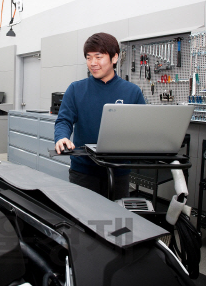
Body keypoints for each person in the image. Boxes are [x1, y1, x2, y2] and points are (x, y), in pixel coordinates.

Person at [54, 32, 145, 199]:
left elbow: (142, 127)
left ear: (114, 58)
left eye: (98, 57)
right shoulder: (76, 89)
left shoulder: (132, 92)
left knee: (115, 221)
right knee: (82, 220)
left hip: (119, 173)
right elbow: (64, 120)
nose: (92, 63)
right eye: (88, 58)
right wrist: (61, 137)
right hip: (83, 172)